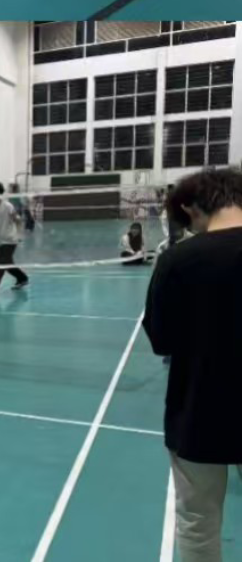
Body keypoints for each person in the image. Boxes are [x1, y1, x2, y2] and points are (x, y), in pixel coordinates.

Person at [144, 167, 242, 562]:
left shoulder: (179, 260)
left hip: (200, 412)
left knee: (197, 522)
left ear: (190, 208)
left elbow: (162, 340)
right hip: (201, 411)